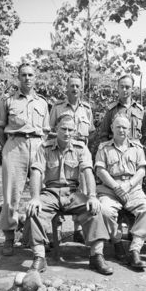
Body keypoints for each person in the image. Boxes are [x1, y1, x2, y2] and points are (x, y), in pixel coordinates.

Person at [24, 114, 113, 275]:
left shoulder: (81, 149)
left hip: (72, 193)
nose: (67, 133)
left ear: (75, 131)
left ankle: (96, 257)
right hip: (50, 193)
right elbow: (36, 172)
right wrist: (35, 198)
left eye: (70, 130)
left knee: (94, 209)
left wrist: (92, 196)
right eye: (63, 129)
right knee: (34, 211)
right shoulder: (44, 148)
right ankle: (39, 258)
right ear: (56, 129)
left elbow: (87, 172)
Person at [0, 62, 50, 256]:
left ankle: (34, 237)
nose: (27, 78)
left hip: (37, 147)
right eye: (24, 75)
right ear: (19, 77)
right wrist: (8, 146)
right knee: (11, 195)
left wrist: (39, 147)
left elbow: (46, 131)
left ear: (35, 78)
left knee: (40, 193)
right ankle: (9, 238)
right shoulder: (8, 101)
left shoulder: (42, 103)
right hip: (14, 145)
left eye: (31, 75)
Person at [95, 114, 146, 269]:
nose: (121, 130)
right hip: (109, 189)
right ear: (112, 128)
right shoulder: (104, 147)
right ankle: (117, 241)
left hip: (132, 189)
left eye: (125, 127)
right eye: (118, 127)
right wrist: (116, 187)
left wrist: (128, 185)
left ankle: (135, 250)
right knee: (105, 210)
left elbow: (142, 170)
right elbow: (100, 170)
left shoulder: (137, 148)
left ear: (129, 130)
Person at [49, 73, 96, 243]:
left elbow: (90, 132)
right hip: (62, 152)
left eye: (77, 86)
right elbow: (50, 130)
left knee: (81, 189)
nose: (74, 88)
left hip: (80, 151)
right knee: (60, 187)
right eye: (72, 86)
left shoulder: (87, 108)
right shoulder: (58, 107)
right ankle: (58, 231)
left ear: (81, 88)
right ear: (66, 88)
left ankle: (78, 230)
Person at [99, 74, 145, 142]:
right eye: (122, 87)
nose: (124, 90)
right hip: (115, 150)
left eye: (127, 87)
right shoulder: (111, 110)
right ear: (118, 88)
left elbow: (144, 134)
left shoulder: (140, 110)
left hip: (135, 150)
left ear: (132, 89)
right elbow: (104, 135)